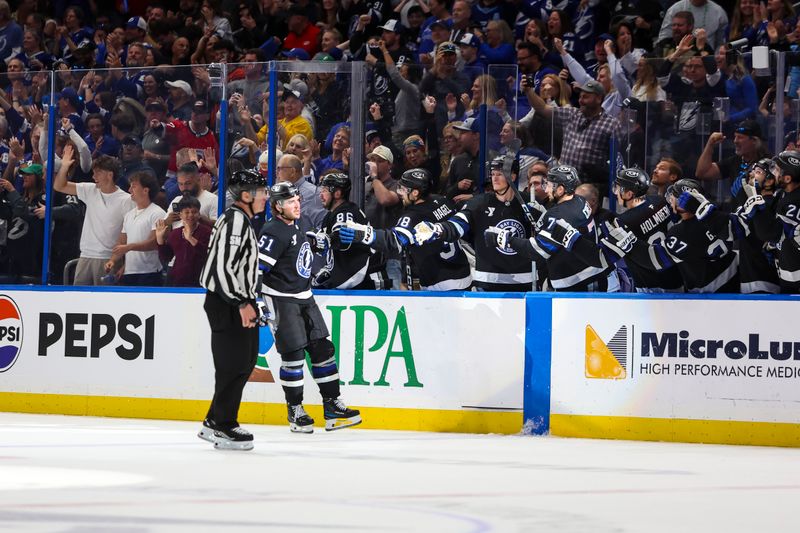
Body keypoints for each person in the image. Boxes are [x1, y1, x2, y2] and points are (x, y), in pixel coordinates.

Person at [257, 181, 361, 433]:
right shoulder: (272, 232)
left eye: (298, 200)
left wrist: (317, 242)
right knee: (293, 356)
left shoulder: (300, 222)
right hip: (280, 299)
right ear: (277, 206)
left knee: (323, 349)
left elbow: (304, 245)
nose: (297, 204)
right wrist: (257, 301)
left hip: (305, 295)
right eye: (290, 201)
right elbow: (257, 269)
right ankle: (295, 410)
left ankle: (332, 407)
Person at [198, 169, 268, 451]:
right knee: (234, 364)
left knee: (244, 361)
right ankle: (221, 423)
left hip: (236, 300)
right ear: (246, 195)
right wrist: (241, 302)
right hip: (227, 302)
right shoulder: (235, 221)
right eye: (261, 192)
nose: (265, 197)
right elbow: (222, 267)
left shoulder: (241, 220)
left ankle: (217, 419)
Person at [340, 168, 472, 291]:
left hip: (440, 284)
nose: (400, 193)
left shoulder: (413, 216)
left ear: (415, 193)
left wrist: (364, 234)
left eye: (404, 189)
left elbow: (394, 240)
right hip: (464, 275)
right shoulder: (442, 201)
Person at [415, 156, 535, 292]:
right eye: (493, 174)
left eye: (500, 174)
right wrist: (438, 229)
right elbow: (458, 224)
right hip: (488, 281)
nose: (494, 179)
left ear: (512, 177)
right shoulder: (479, 203)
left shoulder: (529, 204)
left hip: (524, 280)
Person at [53, 146, 134, 286]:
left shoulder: (126, 200)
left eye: (98, 173)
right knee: (79, 302)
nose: (93, 177)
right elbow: (59, 186)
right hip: (85, 256)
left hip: (109, 258)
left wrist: (126, 264)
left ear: (110, 174)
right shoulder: (90, 190)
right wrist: (64, 166)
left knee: (105, 304)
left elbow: (130, 234)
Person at [311, 171, 390, 289]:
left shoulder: (346, 212)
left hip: (367, 278)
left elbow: (342, 236)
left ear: (337, 193)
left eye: (325, 190)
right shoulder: (330, 215)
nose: (321, 195)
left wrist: (328, 240)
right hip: (354, 278)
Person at [613, 167, 684, 293]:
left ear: (629, 194)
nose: (615, 193)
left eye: (618, 189)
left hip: (650, 284)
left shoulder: (623, 221)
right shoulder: (660, 201)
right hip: (676, 275)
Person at [105, 172, 166, 286]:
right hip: (129, 272)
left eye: (133, 186)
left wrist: (130, 247)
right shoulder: (129, 215)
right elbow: (122, 242)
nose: (129, 190)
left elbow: (154, 243)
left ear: (145, 190)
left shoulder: (157, 213)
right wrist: (112, 260)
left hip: (149, 272)